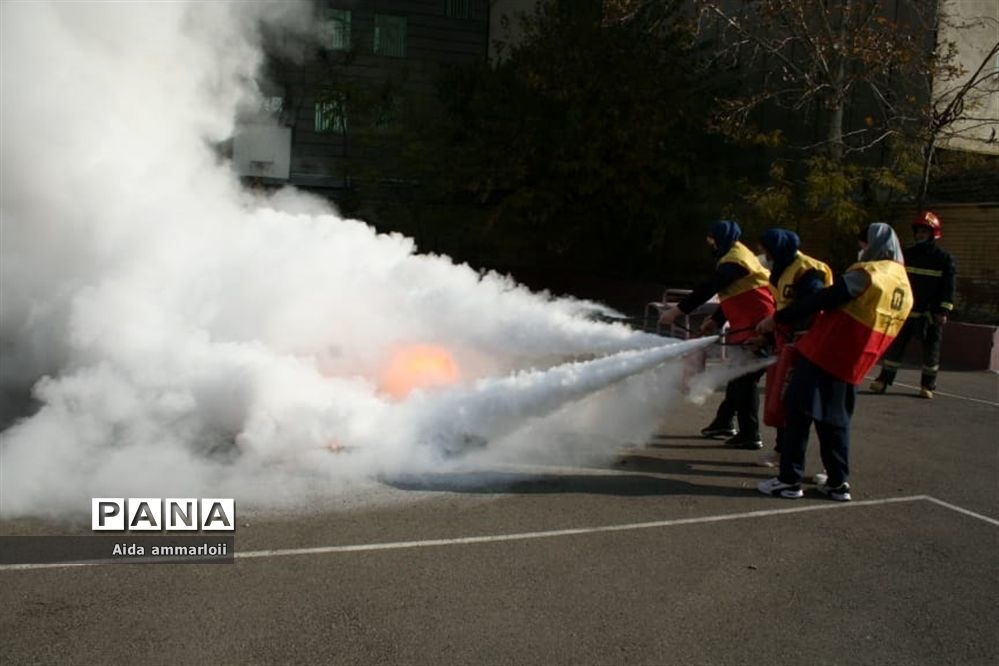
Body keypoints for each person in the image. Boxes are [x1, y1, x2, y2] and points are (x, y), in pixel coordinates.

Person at [754, 223, 913, 501]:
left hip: (824, 351)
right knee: (834, 420)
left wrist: (777, 318)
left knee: (798, 412)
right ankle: (838, 483)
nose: (861, 251)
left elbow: (824, 298)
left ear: (875, 245)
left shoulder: (870, 273)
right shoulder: (904, 286)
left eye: (863, 245)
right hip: (854, 361)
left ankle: (789, 480)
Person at [659, 220, 776, 449]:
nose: (709, 243)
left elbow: (710, 287)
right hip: (750, 325)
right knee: (738, 376)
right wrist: (715, 320)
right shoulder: (736, 256)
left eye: (711, 239)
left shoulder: (734, 261)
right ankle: (723, 423)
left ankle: (750, 435)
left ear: (720, 238)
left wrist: (677, 310)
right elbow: (732, 293)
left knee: (745, 381)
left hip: (759, 328)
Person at [756, 228, 833, 467]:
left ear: (777, 249)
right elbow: (781, 306)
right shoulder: (779, 269)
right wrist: (769, 335)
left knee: (808, 405)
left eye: (765, 251)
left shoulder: (809, 270)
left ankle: (829, 468)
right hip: (785, 341)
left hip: (808, 343)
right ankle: (782, 451)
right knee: (781, 398)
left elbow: (811, 306)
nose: (763, 256)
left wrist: (777, 322)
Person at [869, 211, 956, 399]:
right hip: (904, 311)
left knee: (931, 351)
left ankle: (927, 386)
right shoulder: (906, 255)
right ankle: (883, 380)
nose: (920, 235)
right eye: (918, 231)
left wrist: (943, 310)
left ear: (933, 234)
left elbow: (948, 288)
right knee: (895, 347)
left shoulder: (943, 259)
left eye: (924, 231)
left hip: (930, 314)